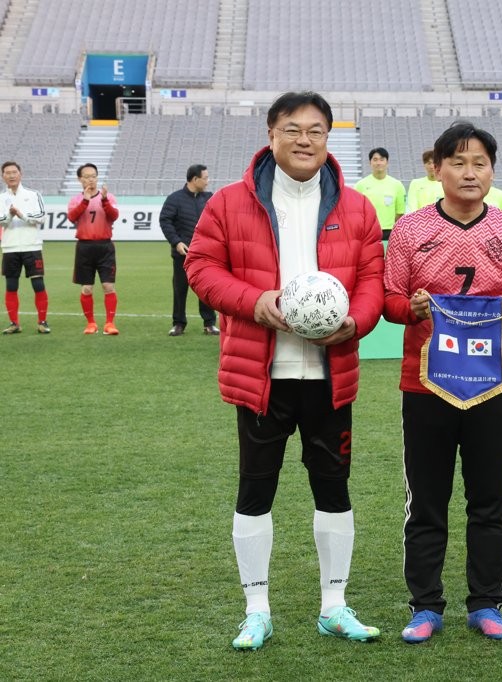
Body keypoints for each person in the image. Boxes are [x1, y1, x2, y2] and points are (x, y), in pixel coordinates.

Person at [184, 91, 385, 651]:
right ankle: (256, 609)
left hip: (329, 373)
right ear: (271, 134)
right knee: (256, 490)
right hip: (261, 373)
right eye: (293, 129)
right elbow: (200, 267)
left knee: (334, 490)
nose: (305, 140)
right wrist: (255, 302)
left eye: (316, 130)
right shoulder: (228, 202)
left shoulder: (358, 207)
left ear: (328, 138)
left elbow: (373, 279)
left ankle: (334, 605)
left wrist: (357, 321)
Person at [383, 121, 502, 644]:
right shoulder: (409, 229)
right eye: (458, 163)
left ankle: (486, 602)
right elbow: (389, 302)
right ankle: (426, 605)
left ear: (493, 169)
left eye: (480, 164)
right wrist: (412, 307)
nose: (470, 174)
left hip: (493, 383)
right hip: (425, 384)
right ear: (437, 168)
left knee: (489, 500)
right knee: (426, 500)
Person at [159, 164, 218, 337]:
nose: (208, 182)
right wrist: (176, 242)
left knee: (206, 289)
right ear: (195, 179)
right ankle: (178, 323)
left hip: (206, 254)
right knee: (180, 288)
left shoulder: (210, 198)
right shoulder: (174, 199)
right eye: (205, 178)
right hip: (182, 255)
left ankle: (209, 323)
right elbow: (165, 221)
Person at [68, 163, 120, 335]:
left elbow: (114, 216)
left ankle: (109, 324)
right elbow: (72, 217)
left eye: (94, 176)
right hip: (84, 247)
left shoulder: (109, 197)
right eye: (87, 176)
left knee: (108, 286)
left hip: (105, 246)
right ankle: (91, 323)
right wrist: (85, 200)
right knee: (87, 288)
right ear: (80, 179)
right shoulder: (75, 200)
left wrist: (104, 200)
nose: (91, 179)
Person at [0, 161, 49, 335]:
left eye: (14, 172)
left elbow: (42, 216)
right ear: (2, 176)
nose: (11, 175)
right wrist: (8, 215)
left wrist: (22, 215)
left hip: (31, 245)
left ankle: (42, 322)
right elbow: (1, 220)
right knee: (11, 286)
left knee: (38, 284)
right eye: (7, 172)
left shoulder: (33, 194)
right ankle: (14, 323)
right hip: (10, 247)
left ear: (21, 174)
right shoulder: (1, 198)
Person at [354, 147, 405, 240]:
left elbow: (400, 212)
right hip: (368, 231)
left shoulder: (397, 185)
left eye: (382, 160)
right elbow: (356, 211)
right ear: (370, 162)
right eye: (375, 159)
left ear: (387, 162)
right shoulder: (360, 185)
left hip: (390, 232)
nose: (378, 163)